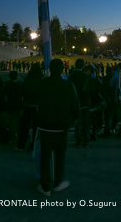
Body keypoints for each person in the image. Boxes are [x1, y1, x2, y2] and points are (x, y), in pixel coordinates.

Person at [36, 58, 79, 196]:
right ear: (62, 70)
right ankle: (58, 181)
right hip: (61, 126)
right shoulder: (68, 85)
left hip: (45, 125)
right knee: (60, 155)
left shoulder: (42, 84)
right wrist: (76, 118)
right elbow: (75, 105)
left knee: (45, 156)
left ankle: (45, 185)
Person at [15, 63, 43, 151]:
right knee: (36, 127)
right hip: (37, 106)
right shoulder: (41, 81)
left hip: (27, 105)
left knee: (24, 126)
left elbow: (22, 92)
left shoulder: (27, 80)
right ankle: (34, 145)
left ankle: (21, 144)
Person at [68, 59, 90, 148]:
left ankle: (78, 139)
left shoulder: (71, 77)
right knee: (86, 122)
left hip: (75, 102)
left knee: (77, 122)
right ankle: (86, 141)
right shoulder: (86, 77)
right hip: (85, 101)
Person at [3, 70, 23, 144]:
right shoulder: (19, 85)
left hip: (11, 105)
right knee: (19, 123)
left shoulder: (7, 85)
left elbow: (5, 96)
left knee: (12, 123)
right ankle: (18, 137)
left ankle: (13, 137)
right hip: (19, 105)